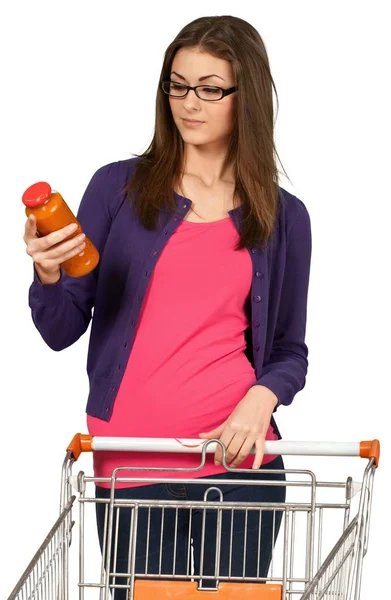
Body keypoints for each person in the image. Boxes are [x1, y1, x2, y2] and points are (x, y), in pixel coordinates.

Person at [24, 14, 312, 599]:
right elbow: (60, 330)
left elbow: (288, 351)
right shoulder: (117, 189)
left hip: (239, 475)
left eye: (210, 88)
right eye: (178, 85)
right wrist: (48, 272)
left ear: (246, 96)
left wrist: (263, 397)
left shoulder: (284, 218)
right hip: (130, 470)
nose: (189, 103)